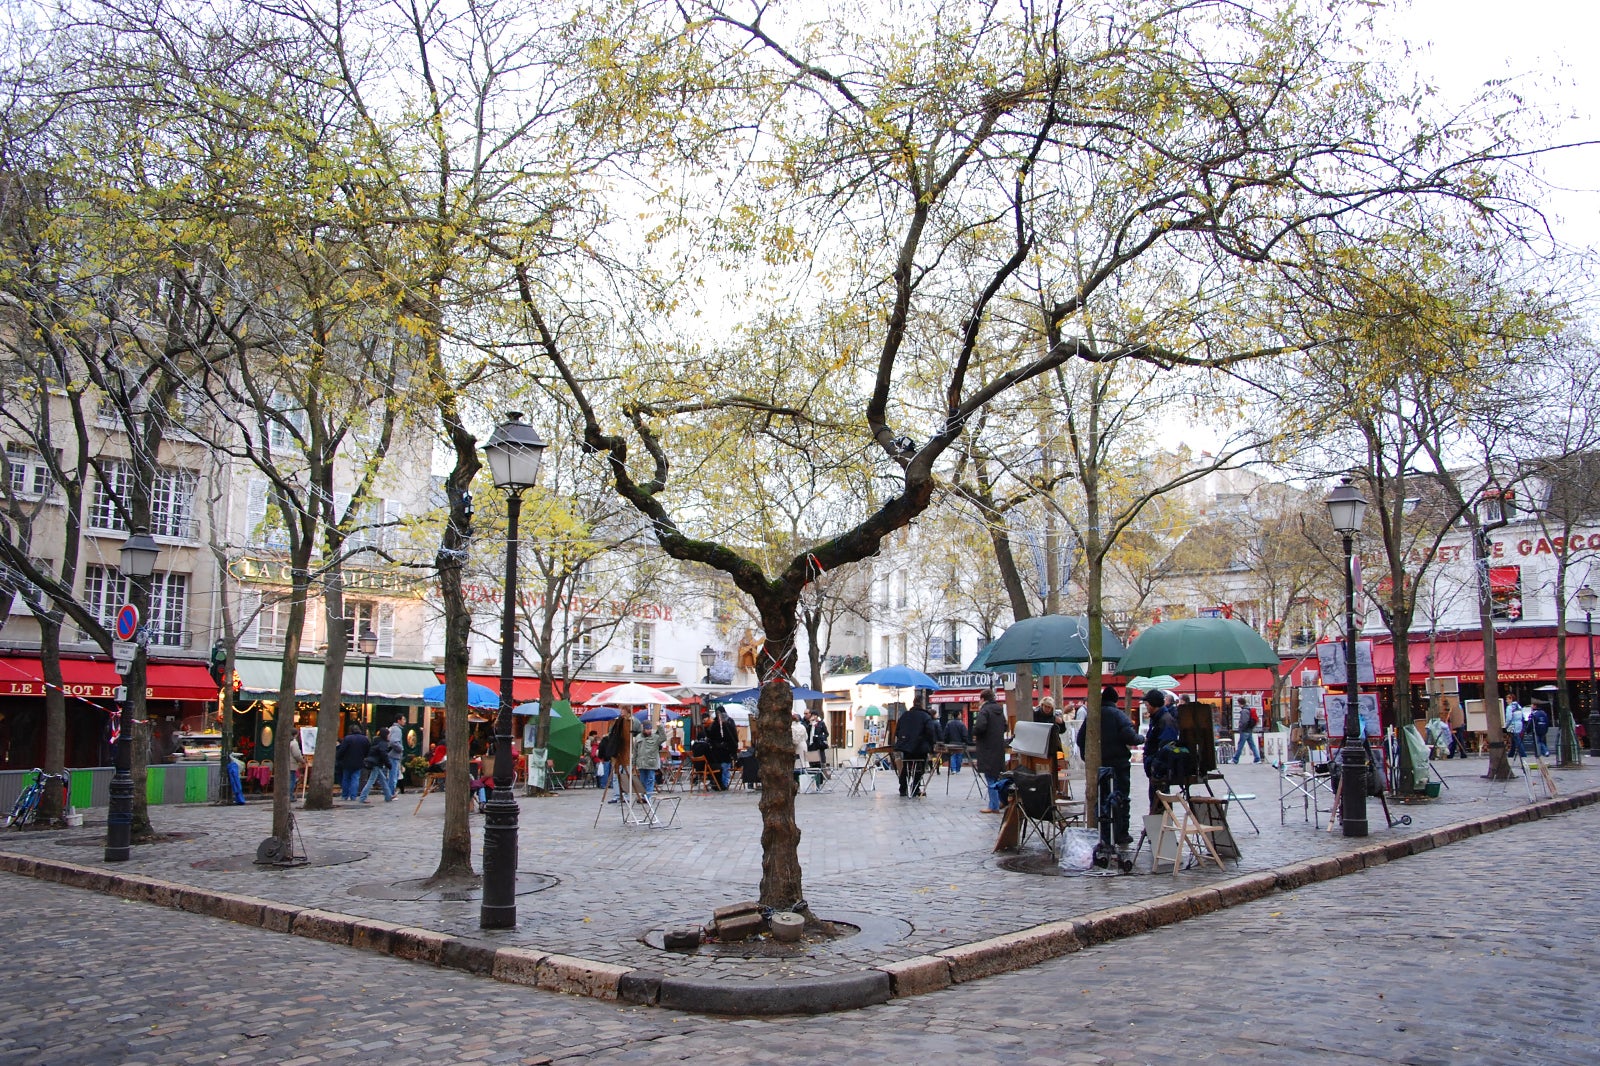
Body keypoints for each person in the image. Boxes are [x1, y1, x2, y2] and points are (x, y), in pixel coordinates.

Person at [1076, 685, 1143, 850]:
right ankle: (1121, 832)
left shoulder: (1093, 716)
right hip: (1119, 764)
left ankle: (1104, 833)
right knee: (1121, 798)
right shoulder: (1118, 715)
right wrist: (1141, 738)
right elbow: (1130, 737)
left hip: (1100, 765)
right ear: (1115, 700)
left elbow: (1080, 739)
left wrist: (1087, 757)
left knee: (1103, 798)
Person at [1139, 688, 1181, 814]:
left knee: (1160, 803)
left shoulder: (1165, 720)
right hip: (1155, 771)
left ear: (1153, 705)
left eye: (1147, 705)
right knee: (1156, 802)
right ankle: (1157, 829)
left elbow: (1167, 748)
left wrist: (1154, 765)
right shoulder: (1158, 719)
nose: (1146, 708)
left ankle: (1161, 829)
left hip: (1160, 772)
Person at [972, 688, 1009, 812]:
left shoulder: (985, 710)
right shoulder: (999, 710)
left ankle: (993, 805)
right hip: (998, 746)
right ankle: (1001, 801)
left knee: (990, 777)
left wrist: (975, 732)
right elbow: (1005, 726)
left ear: (982, 699)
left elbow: (980, 727)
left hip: (987, 747)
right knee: (998, 775)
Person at [894, 699, 939, 797]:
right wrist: (931, 745)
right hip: (920, 747)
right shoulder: (926, 716)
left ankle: (903, 788)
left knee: (906, 766)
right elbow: (930, 732)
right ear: (922, 705)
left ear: (913, 704)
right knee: (920, 767)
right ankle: (915, 787)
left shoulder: (905, 715)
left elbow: (897, 731)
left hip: (907, 747)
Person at [334, 724, 370, 801]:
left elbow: (342, 750)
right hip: (359, 761)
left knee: (346, 778)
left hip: (347, 761)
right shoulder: (364, 739)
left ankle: (345, 795)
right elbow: (368, 750)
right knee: (355, 778)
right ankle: (353, 796)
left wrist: (338, 758)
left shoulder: (347, 738)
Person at [358, 730, 395, 803]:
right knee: (371, 780)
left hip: (374, 762)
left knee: (383, 780)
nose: (389, 736)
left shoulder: (376, 741)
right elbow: (383, 754)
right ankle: (363, 797)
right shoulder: (383, 743)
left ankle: (388, 796)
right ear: (385, 735)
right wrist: (388, 764)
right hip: (376, 763)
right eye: (388, 735)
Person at [707, 708, 739, 791]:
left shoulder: (728, 722)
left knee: (724, 767)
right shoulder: (716, 724)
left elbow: (732, 737)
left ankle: (723, 783)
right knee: (721, 768)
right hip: (719, 751)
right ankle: (720, 783)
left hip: (725, 750)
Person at [633, 718, 666, 797]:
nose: (649, 730)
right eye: (647, 729)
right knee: (642, 781)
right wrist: (633, 763)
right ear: (643, 728)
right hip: (641, 763)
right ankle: (643, 796)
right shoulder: (638, 737)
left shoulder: (655, 737)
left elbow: (663, 738)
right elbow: (635, 751)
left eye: (650, 728)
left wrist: (660, 727)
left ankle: (648, 797)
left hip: (651, 763)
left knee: (650, 780)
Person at [1231, 698, 1261, 763]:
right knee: (1252, 745)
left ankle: (1235, 759)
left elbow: (1244, 721)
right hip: (1249, 730)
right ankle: (1257, 758)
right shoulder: (1248, 709)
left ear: (1240, 703)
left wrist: (1241, 728)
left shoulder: (1244, 711)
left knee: (1240, 745)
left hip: (1245, 730)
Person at [805, 709, 829, 789]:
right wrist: (810, 724)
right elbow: (807, 733)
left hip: (818, 745)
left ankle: (819, 781)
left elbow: (826, 734)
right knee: (812, 764)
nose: (813, 717)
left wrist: (819, 737)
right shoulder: (810, 724)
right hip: (811, 746)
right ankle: (813, 781)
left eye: (814, 715)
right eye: (812, 715)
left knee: (819, 764)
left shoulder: (821, 723)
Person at [386, 719, 405, 794]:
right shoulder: (397, 730)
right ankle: (391, 793)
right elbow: (394, 741)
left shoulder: (392, 728)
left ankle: (389, 793)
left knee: (392, 775)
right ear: (399, 720)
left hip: (391, 755)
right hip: (394, 755)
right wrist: (401, 748)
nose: (405, 721)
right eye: (403, 719)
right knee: (393, 775)